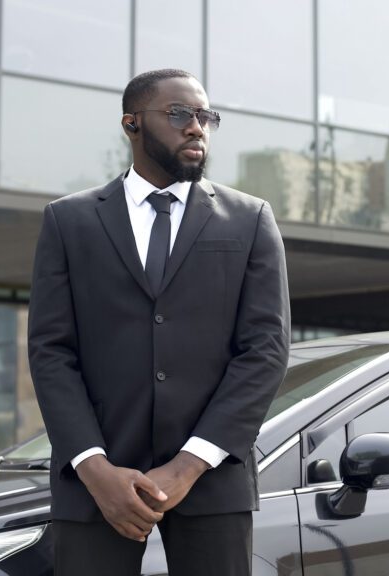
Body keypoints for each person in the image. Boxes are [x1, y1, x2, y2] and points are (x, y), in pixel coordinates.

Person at [27, 68, 290, 576]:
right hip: (95, 485)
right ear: (132, 125)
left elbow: (266, 351)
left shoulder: (250, 219)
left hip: (212, 479)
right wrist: (93, 467)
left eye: (206, 117)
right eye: (179, 114)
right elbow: (50, 351)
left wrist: (188, 465)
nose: (197, 127)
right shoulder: (69, 221)